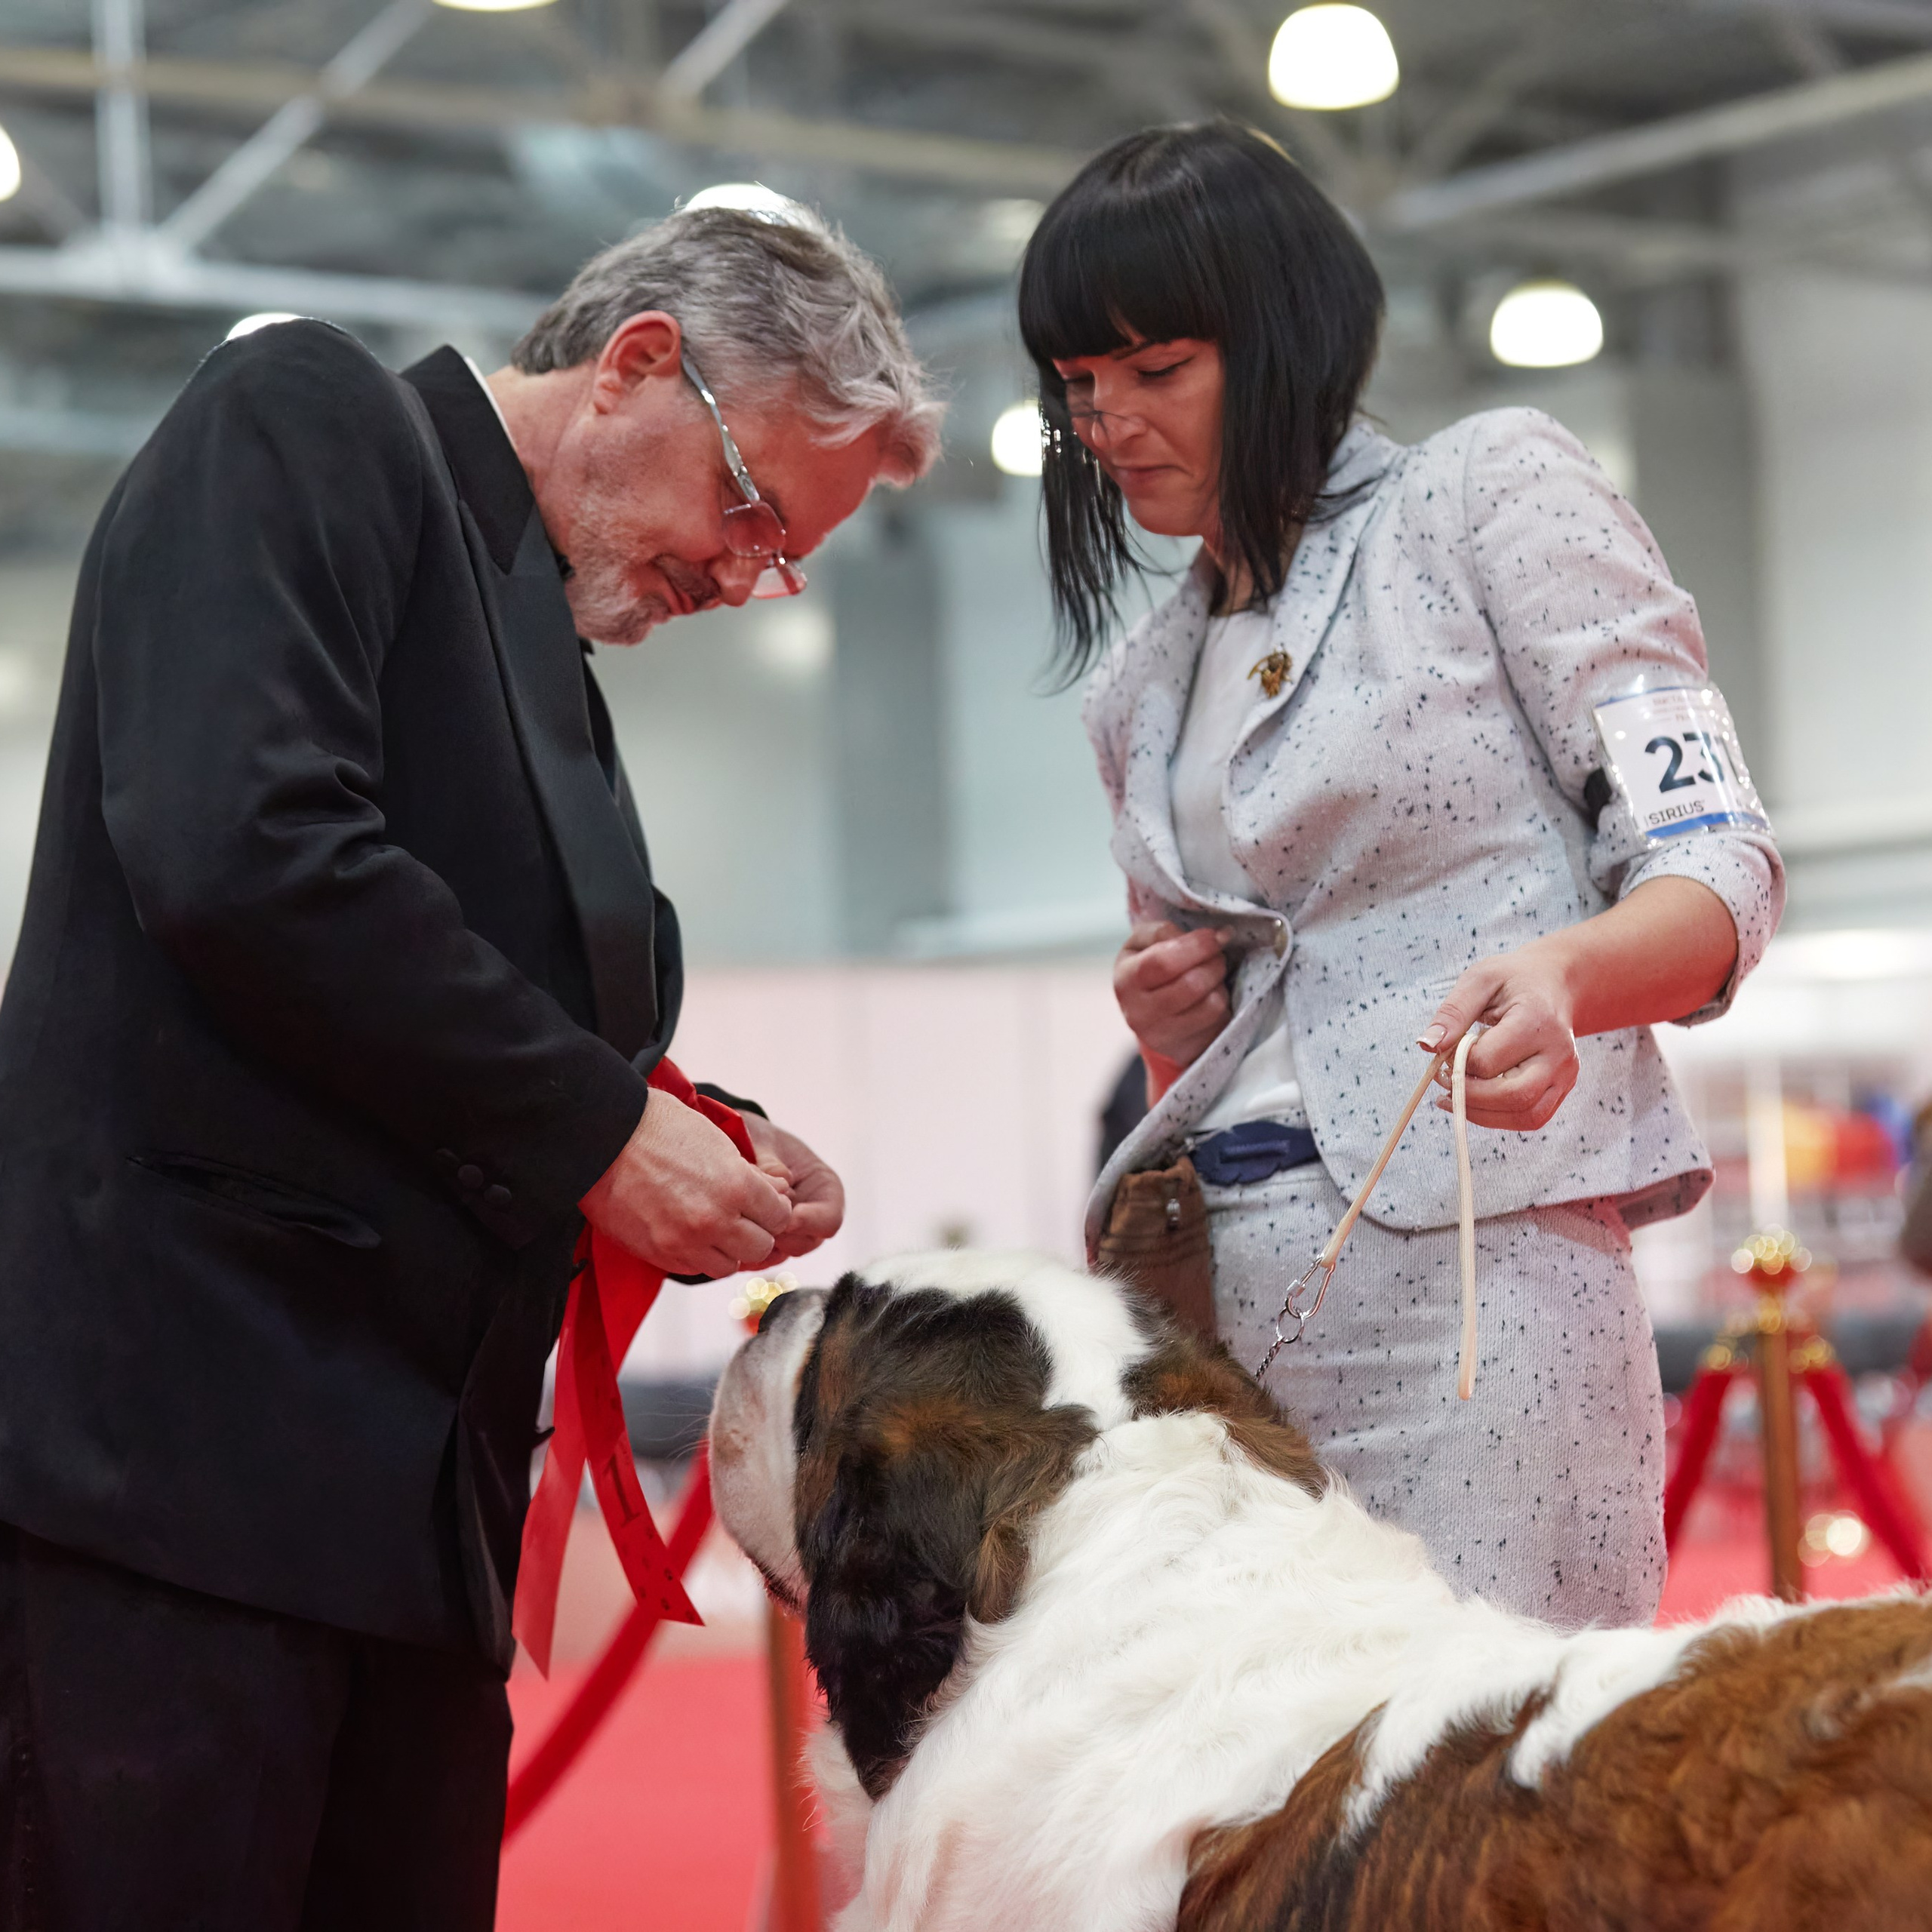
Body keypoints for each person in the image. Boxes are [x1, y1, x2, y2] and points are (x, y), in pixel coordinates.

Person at [0, 204, 940, 1930]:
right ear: (636, 364)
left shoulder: (538, 640)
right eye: (746, 509)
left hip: (398, 1510)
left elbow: (445, 1006)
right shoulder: (303, 416)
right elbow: (245, 847)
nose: (741, 576)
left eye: (780, 556)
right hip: (178, 1476)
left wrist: (685, 1125)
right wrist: (597, 1124)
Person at [1020, 123, 1783, 1631]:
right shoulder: (1134, 683)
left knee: (1500, 1795)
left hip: (1481, 1278)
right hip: (1200, 1291)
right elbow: (1223, 1004)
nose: (1105, 421)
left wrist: (1566, 975)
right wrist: (1165, 1018)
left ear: (1285, 337)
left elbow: (1719, 863)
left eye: (1154, 369)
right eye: (1074, 387)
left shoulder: (1489, 493)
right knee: (1259, 1829)